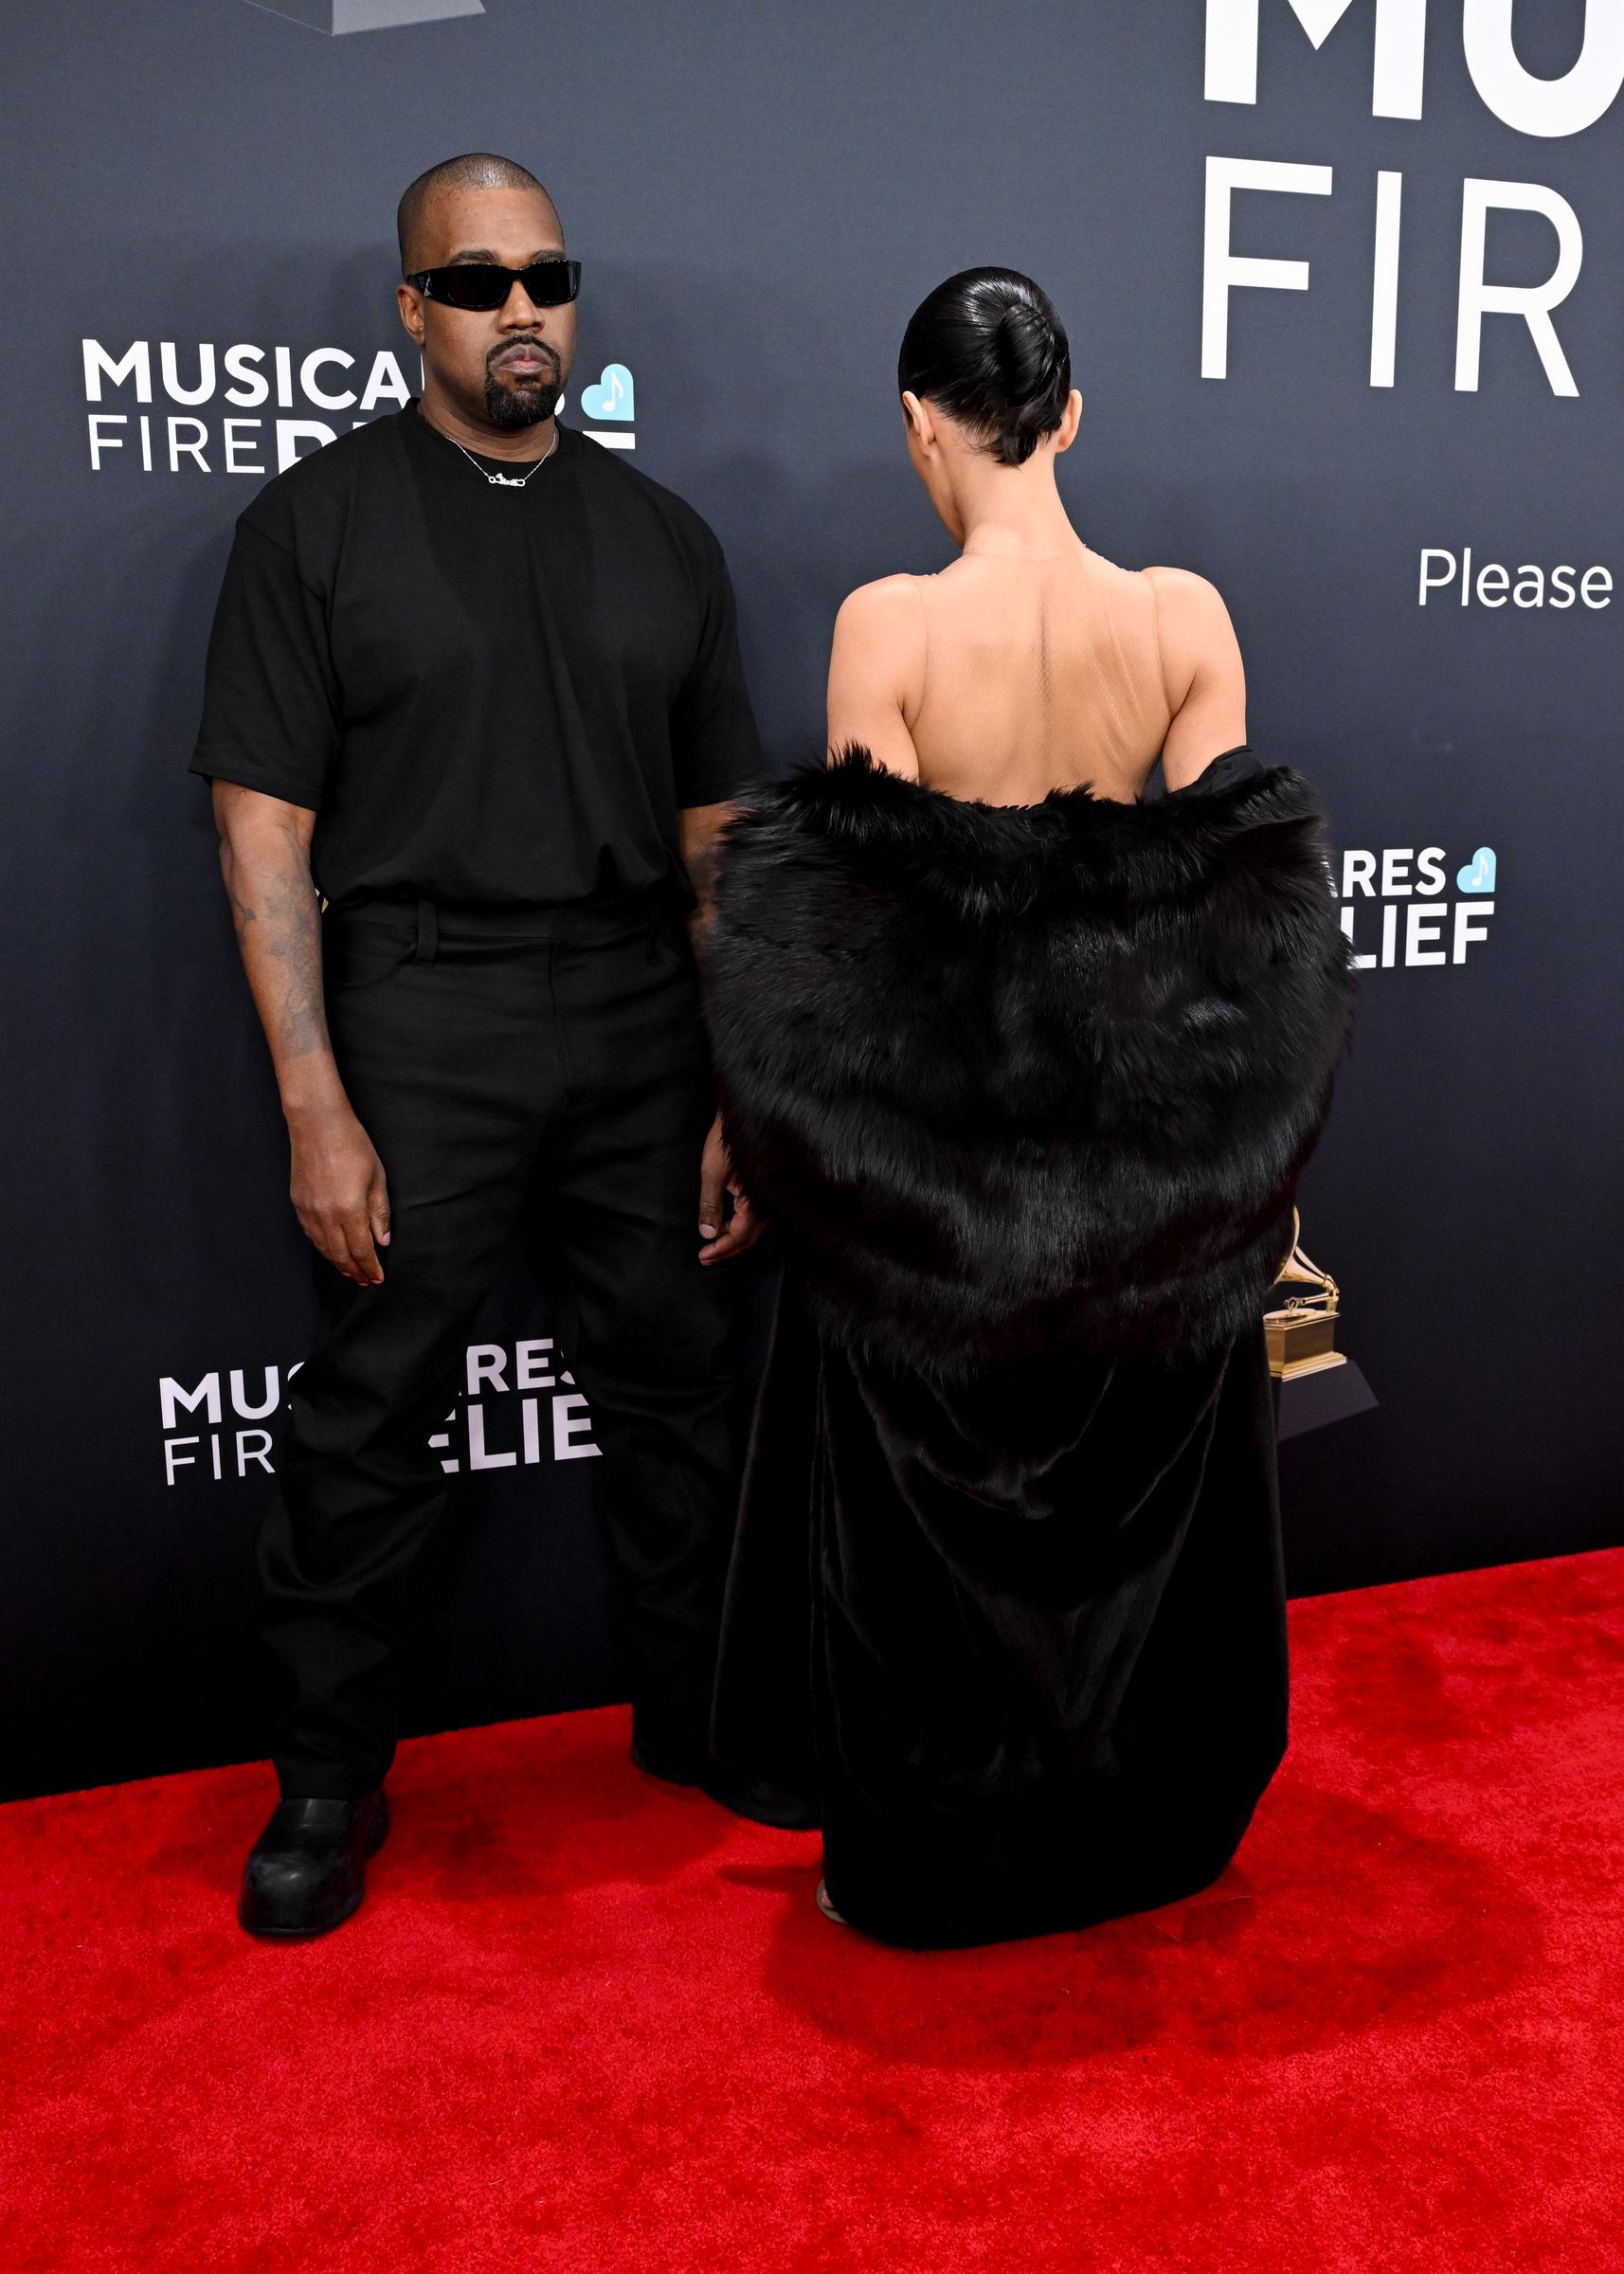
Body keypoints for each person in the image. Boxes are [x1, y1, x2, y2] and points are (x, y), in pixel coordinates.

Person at [193, 153, 807, 1942]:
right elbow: (261, 835)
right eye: (476, 283)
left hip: (639, 1015)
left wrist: (737, 1086)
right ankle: (325, 1778)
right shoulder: (308, 530)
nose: (519, 307)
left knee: (681, 1391)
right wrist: (315, 1099)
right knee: (372, 1407)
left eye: (546, 275)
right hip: (418, 1011)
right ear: (410, 310)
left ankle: (701, 1723)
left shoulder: (664, 539)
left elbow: (717, 849)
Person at [701, 268, 1354, 1949]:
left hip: (952, 1165)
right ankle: (1136, 1835)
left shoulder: (886, 628)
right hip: (1148, 1167)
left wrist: (780, 1139)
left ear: (921, 424)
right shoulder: (1183, 617)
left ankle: (929, 1858)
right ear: (1068, 414)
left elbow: (870, 943)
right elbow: (1238, 927)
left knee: (936, 1536)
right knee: (1132, 1522)